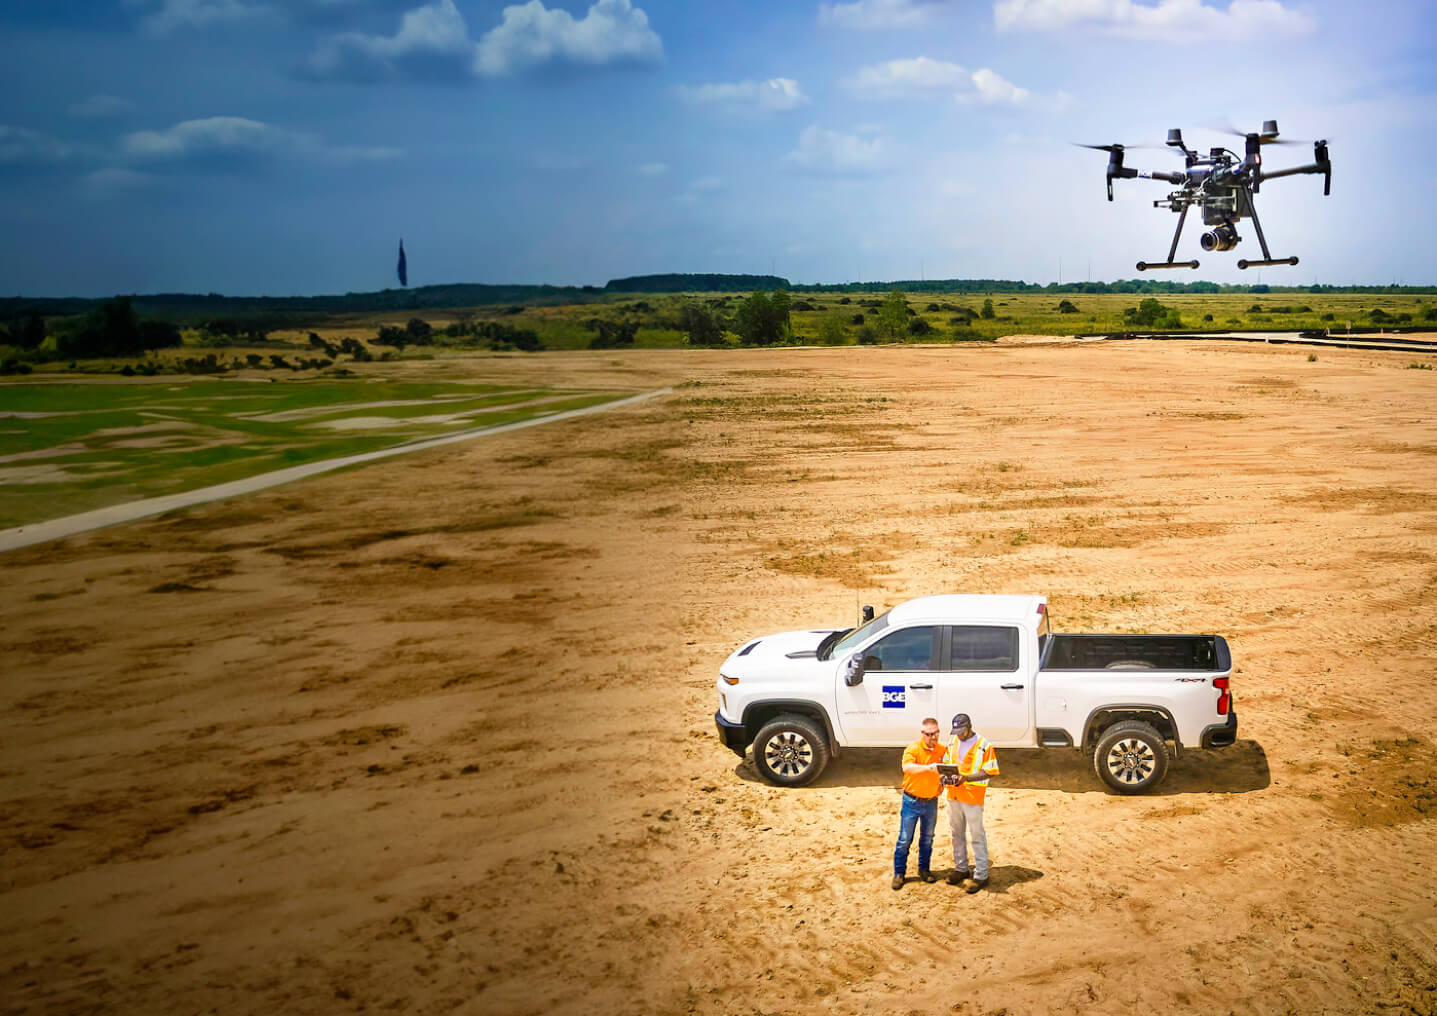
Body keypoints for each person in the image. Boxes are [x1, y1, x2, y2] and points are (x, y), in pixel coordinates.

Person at [944, 712, 1000, 893]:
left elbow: (989, 771)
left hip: (972, 795)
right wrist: (943, 777)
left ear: (969, 726)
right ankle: (961, 868)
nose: (959, 734)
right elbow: (946, 763)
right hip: (953, 794)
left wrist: (966, 778)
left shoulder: (984, 745)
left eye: (961, 730)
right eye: (956, 730)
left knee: (977, 835)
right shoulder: (953, 742)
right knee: (956, 833)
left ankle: (981, 875)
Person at [893, 717, 948, 890]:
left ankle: (924, 870)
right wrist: (928, 767)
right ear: (923, 734)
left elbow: (947, 768)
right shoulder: (913, 749)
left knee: (927, 839)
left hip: (931, 801)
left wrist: (945, 780)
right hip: (911, 801)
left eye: (936, 733)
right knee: (904, 839)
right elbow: (907, 767)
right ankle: (899, 873)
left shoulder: (943, 750)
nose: (934, 737)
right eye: (930, 734)